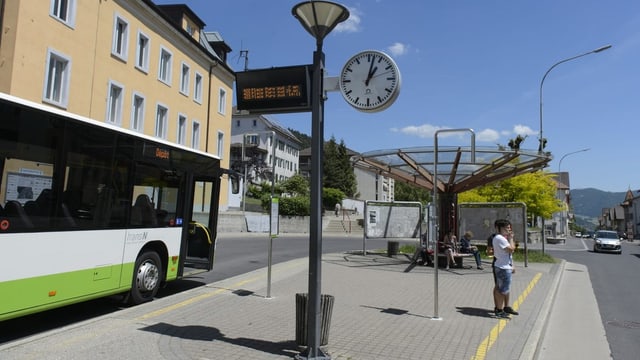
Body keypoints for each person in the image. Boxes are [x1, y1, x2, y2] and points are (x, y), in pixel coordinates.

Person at [492, 219, 519, 318]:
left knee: (503, 288)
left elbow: (508, 254)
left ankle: (504, 307)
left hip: (503, 266)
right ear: (499, 228)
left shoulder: (501, 238)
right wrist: (511, 238)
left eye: (509, 227)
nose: (509, 229)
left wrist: (512, 265)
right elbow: (511, 249)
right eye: (506, 228)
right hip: (503, 267)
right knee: (502, 290)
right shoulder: (500, 238)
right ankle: (499, 310)